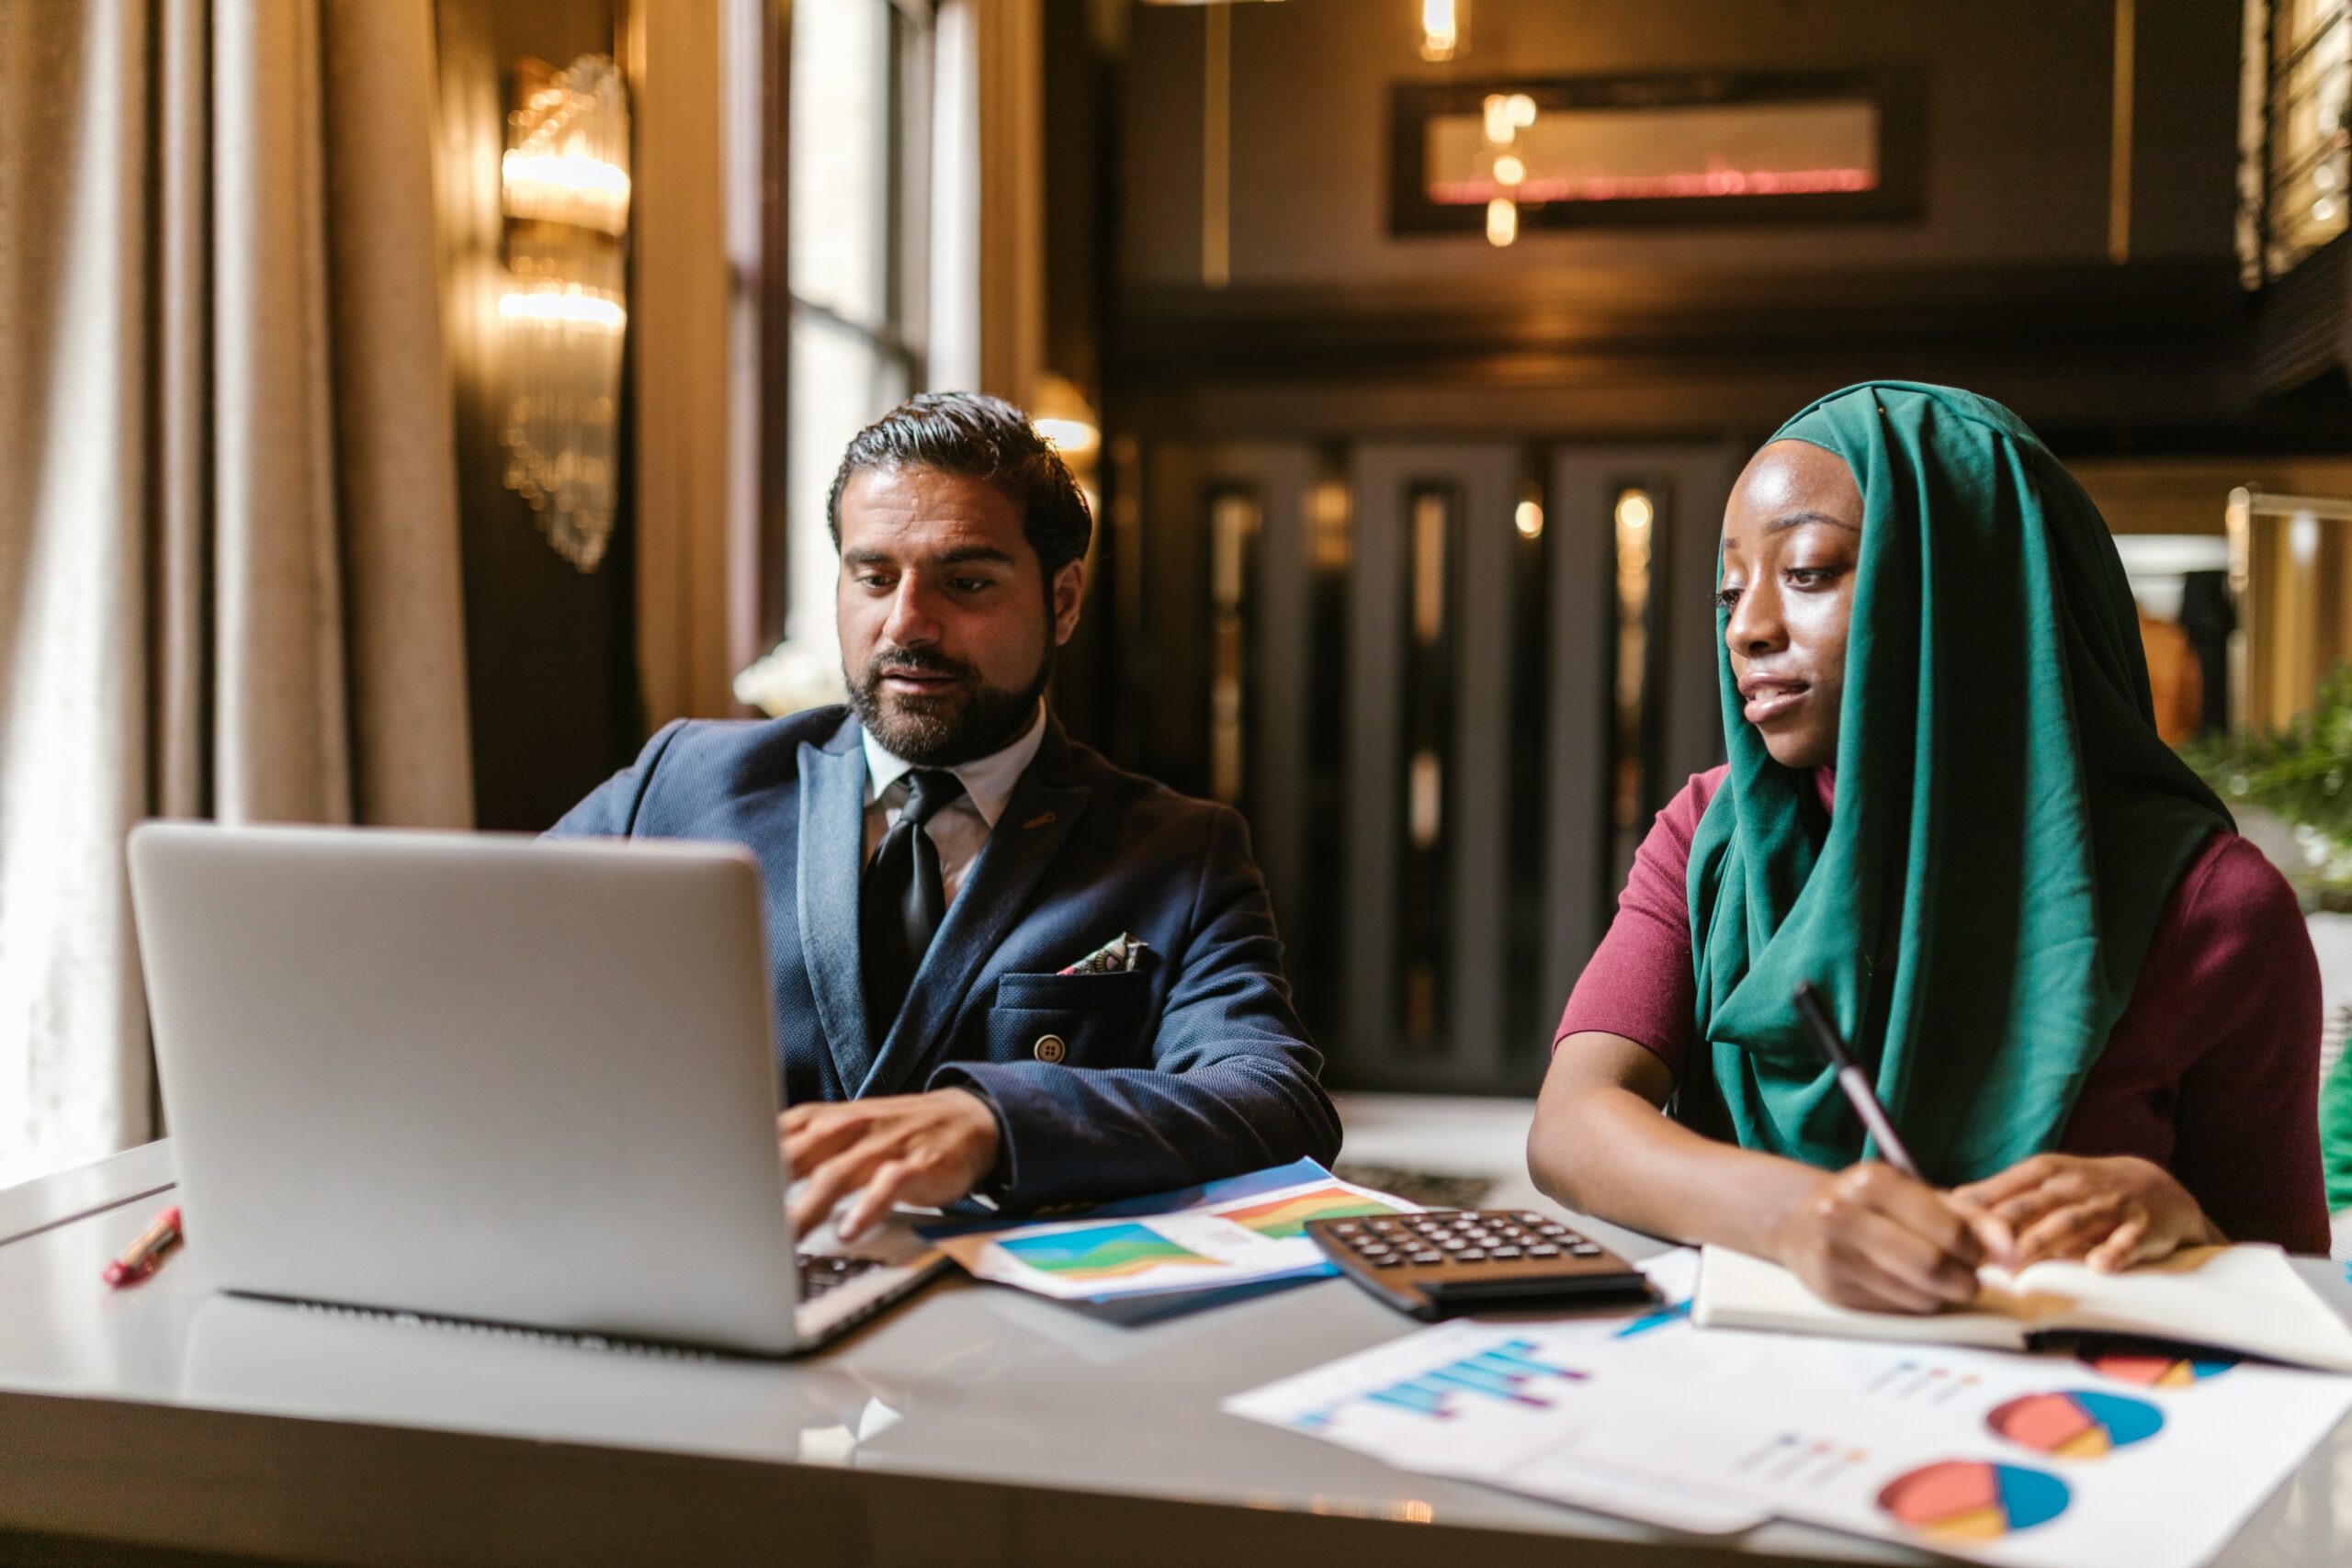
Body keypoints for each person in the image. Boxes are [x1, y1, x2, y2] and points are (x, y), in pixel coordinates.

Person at [1527, 381, 2327, 1314]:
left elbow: (2298, 1291)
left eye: (1810, 571)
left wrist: (2182, 1220)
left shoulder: (2207, 906)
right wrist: (1793, 1215)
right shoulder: (1712, 834)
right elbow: (1572, 1124)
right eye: (1730, 590)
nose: (1745, 629)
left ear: (1971, 585)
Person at [552, 392, 1339, 1238]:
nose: (908, 623)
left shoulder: (1180, 851)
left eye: (965, 582)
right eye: (874, 577)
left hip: (1006, 1341)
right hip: (696, 1283)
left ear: (1063, 600)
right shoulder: (684, 782)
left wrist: (997, 1121)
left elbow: (1277, 1098)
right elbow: (479, 969)